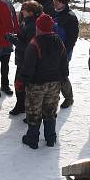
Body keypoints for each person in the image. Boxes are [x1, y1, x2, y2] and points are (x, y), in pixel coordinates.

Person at [19, 13, 69, 149]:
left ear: (38, 27)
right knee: (50, 110)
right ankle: (50, 138)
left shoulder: (34, 43)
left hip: (37, 84)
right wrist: (63, 77)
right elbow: (64, 62)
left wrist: (22, 81)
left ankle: (32, 139)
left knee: (34, 111)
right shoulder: (58, 40)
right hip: (54, 83)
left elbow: (28, 66)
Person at [5, 0, 43, 116]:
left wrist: (12, 39)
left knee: (21, 84)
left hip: (26, 61)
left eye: (24, 10)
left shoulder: (32, 26)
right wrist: (15, 36)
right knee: (21, 83)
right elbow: (24, 38)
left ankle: (23, 107)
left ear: (31, 12)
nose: (21, 12)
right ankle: (22, 105)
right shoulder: (28, 22)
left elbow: (28, 46)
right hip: (23, 59)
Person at [52, 0, 79, 108]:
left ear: (63, 3)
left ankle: (69, 98)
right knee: (52, 73)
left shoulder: (70, 17)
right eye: (54, 0)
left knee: (62, 74)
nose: (54, 2)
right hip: (51, 50)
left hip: (64, 51)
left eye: (57, 1)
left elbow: (72, 39)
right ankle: (53, 96)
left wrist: (65, 52)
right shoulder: (53, 12)